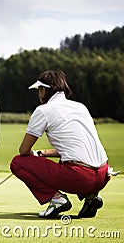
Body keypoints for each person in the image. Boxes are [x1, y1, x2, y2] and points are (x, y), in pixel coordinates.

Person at [10, 69, 116, 218]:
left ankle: (56, 199)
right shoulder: (81, 107)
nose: (39, 94)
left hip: (80, 178)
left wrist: (33, 155)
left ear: (43, 90)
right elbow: (75, 147)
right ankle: (91, 197)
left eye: (39, 90)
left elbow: (24, 150)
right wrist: (43, 154)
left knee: (18, 162)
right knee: (68, 162)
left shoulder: (43, 110)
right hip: (103, 176)